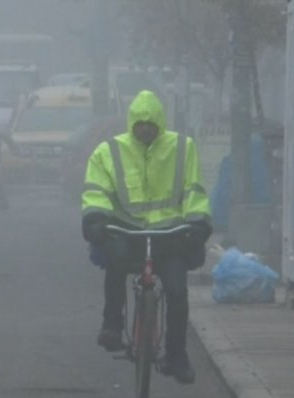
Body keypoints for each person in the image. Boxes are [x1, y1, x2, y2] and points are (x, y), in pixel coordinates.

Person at [81, 90, 212, 384]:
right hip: (127, 232)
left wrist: (198, 224)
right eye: (140, 125)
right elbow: (97, 191)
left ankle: (177, 356)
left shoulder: (182, 147)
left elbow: (194, 191)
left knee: (178, 292)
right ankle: (112, 325)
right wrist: (96, 220)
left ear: (160, 124)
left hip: (171, 236)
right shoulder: (109, 151)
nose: (145, 130)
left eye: (150, 125)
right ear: (131, 124)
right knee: (115, 262)